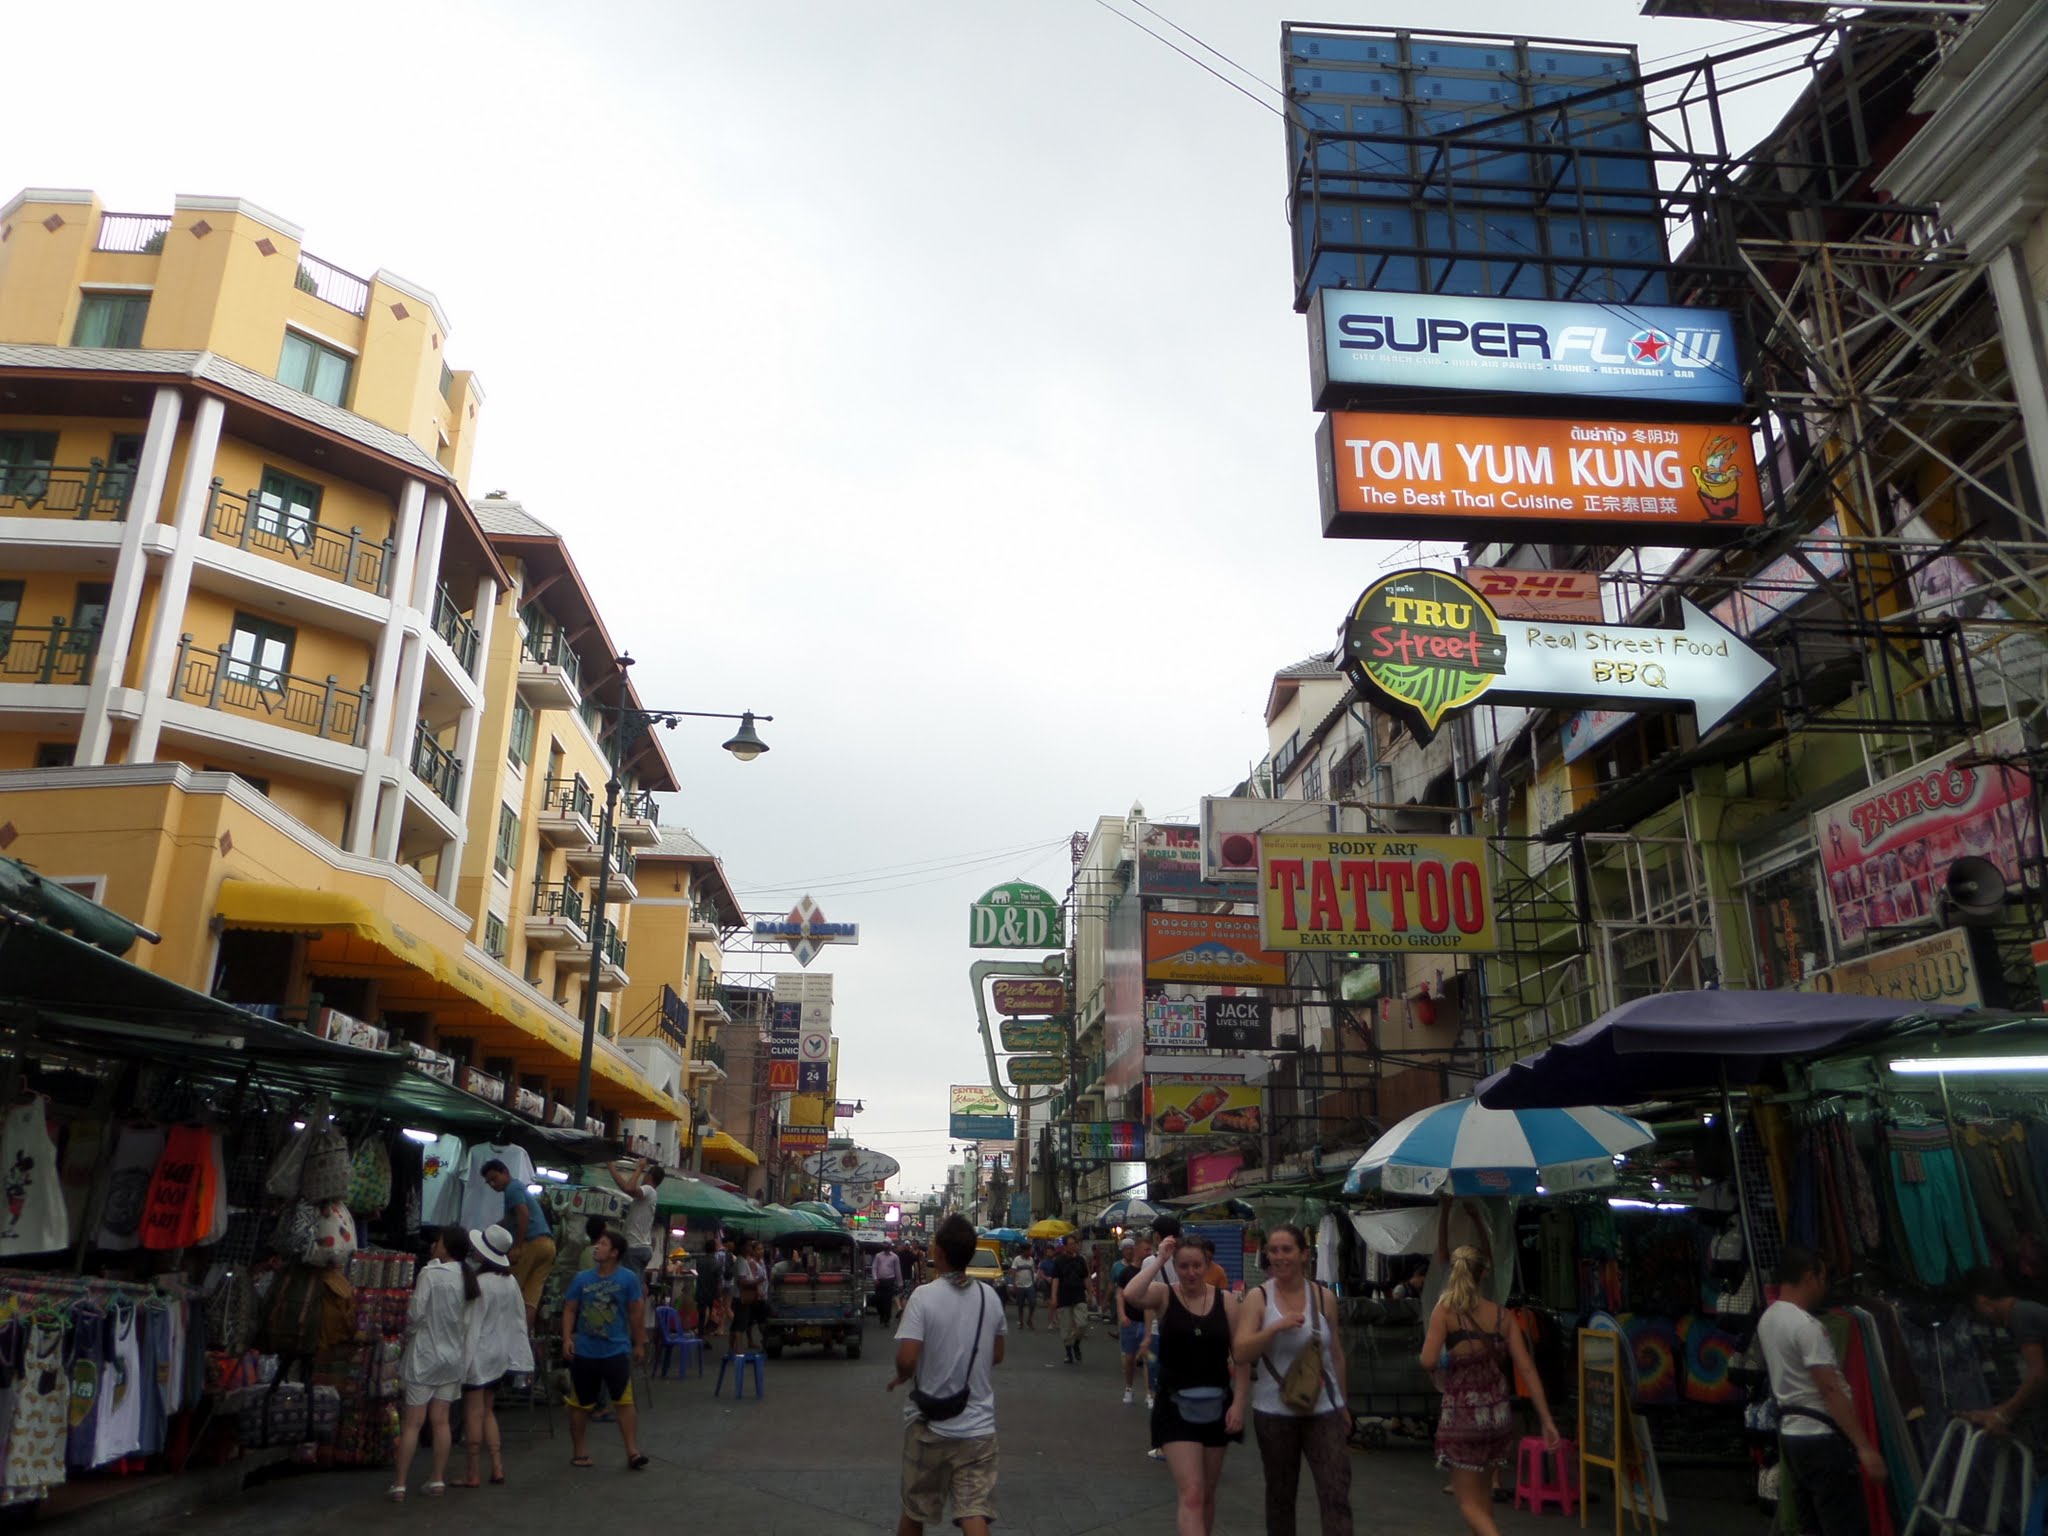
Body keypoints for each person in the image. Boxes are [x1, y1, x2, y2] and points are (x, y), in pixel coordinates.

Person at [1421, 1245, 1563, 1536]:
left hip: (1463, 1417)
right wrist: (1546, 1419)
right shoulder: (1502, 1316)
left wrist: (1448, 1360)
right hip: (1497, 1416)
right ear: (1484, 1273)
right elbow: (1527, 1369)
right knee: (1484, 1501)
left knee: (1468, 1504)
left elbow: (1428, 1360)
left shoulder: (1445, 1310)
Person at [887, 1213, 1006, 1536]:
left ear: (938, 1252)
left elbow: (908, 1359)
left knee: (915, 1511)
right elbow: (997, 1354)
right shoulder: (990, 1298)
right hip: (978, 1428)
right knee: (973, 1512)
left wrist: (901, 1375)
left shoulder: (923, 1297)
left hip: (930, 1426)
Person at [1232, 1224, 1353, 1536]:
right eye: (1273, 1250)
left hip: (1323, 1409)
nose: (1279, 1257)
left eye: (1287, 1250)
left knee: (1336, 1491)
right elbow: (1242, 1352)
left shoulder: (1323, 1297)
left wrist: (1343, 1404)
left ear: (1303, 1254)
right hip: (1274, 1412)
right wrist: (1275, 1327)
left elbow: (1335, 1353)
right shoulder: (1258, 1299)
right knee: (1281, 1495)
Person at [1125, 1232, 1249, 1535]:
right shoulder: (1166, 1295)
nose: (1191, 1272)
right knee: (1192, 1493)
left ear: (1207, 1265)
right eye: (1184, 1266)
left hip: (1217, 1405)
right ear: (1176, 1267)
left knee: (1206, 1495)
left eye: (1197, 1265)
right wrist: (1159, 1259)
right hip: (1175, 1406)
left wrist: (1239, 1405)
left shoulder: (1226, 1301)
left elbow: (1242, 1357)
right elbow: (1131, 1294)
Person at [1758, 1246, 1886, 1536]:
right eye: (1823, 1277)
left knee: (1811, 1524)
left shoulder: (1769, 1319)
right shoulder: (1806, 1327)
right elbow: (1829, 1388)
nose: (1826, 1286)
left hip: (1793, 1436)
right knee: (1843, 1524)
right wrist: (1864, 1447)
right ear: (1809, 1277)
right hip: (1821, 1438)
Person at [389, 1226, 476, 1500]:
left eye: (437, 1241)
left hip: (424, 1355)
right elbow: (468, 1323)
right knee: (441, 1422)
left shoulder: (430, 1274)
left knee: (413, 1422)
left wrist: (412, 1334)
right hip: (452, 1359)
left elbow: (415, 1314)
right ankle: (437, 1479)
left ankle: (400, 1483)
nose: (433, 1245)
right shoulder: (467, 1277)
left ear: (446, 1247)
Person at [561, 1229, 650, 1471]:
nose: (596, 1248)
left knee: (624, 1401)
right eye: (597, 1243)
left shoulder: (628, 1279)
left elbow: (636, 1313)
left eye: (602, 1244)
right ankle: (579, 1451)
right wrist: (567, 1338)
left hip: (616, 1350)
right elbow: (570, 1309)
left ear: (614, 1253)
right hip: (585, 1351)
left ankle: (632, 1452)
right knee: (580, 1404)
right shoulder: (581, 1279)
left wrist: (639, 1344)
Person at [460, 1223, 533, 1488]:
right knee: (488, 1412)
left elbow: (470, 1324)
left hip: (478, 1357)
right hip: (500, 1356)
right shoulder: (510, 1281)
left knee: (473, 1413)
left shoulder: (478, 1283)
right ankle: (497, 1466)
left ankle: (472, 1472)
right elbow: (518, 1319)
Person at [1963, 1268, 2048, 1445]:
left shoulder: (2019, 1316)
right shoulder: (2023, 1311)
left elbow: (2038, 1375)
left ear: (1982, 1302)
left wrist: (2004, 1413)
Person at [481, 1158, 556, 1327]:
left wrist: (517, 1246)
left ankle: (503, 1332)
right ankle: (524, 1337)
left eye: (494, 1178)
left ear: (505, 1173)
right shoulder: (517, 1189)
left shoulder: (512, 1188)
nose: (493, 1184)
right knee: (530, 1298)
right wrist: (489, 1231)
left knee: (509, 1288)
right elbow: (510, 1219)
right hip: (548, 1246)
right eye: (489, 1182)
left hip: (533, 1243)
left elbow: (523, 1214)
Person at [606, 1157, 665, 1278]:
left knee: (630, 1286)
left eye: (645, 1174)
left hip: (635, 1246)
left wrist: (639, 1168)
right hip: (641, 1247)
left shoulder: (649, 1190)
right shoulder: (649, 1195)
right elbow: (625, 1187)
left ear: (649, 1176)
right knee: (637, 1283)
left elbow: (629, 1188)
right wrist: (610, 1166)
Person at [1115, 1237, 1154, 1406]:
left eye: (1150, 1250)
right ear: (1138, 1250)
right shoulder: (1126, 1272)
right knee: (1130, 1358)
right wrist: (1122, 1315)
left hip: (1148, 1323)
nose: (1149, 1253)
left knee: (1148, 1359)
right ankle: (1129, 1388)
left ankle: (1149, 1393)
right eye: (1146, 1250)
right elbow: (1120, 1295)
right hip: (1130, 1322)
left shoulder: (1152, 1271)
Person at [1047, 1233, 1090, 1364]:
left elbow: (1086, 1277)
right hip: (1064, 1296)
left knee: (1082, 1323)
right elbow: (1055, 1280)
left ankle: (1076, 1343)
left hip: (1079, 1295)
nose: (1074, 1246)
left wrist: (1091, 1293)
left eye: (1075, 1244)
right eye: (1071, 1244)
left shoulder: (1081, 1260)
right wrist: (1054, 1297)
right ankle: (1068, 1352)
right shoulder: (1059, 1261)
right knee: (1065, 1327)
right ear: (1065, 1246)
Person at [729, 1237, 769, 1357]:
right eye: (748, 1246)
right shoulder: (742, 1261)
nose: (750, 1248)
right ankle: (739, 1350)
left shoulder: (744, 1261)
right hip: (742, 1297)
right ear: (742, 1248)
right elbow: (742, 1281)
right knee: (740, 1325)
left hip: (742, 1296)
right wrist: (757, 1281)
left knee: (738, 1324)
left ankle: (732, 1349)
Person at [872, 1241, 904, 1326]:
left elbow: (897, 1270)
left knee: (887, 1301)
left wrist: (900, 1283)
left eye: (887, 1244)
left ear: (890, 1246)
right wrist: (875, 1278)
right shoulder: (878, 1256)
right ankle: (882, 1315)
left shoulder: (895, 1257)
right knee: (878, 1300)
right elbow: (874, 1267)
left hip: (890, 1281)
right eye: (884, 1244)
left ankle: (887, 1319)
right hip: (879, 1281)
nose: (885, 1245)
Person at [1008, 1248, 1038, 1328]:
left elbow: (1033, 1271)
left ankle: (1029, 1319)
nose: (1030, 1252)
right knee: (1020, 1305)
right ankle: (1021, 1321)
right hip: (1019, 1286)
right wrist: (1014, 1284)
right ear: (1024, 1251)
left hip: (1030, 1285)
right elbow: (1013, 1272)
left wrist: (1034, 1282)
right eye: (1028, 1250)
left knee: (1033, 1303)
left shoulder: (1031, 1260)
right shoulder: (1017, 1259)